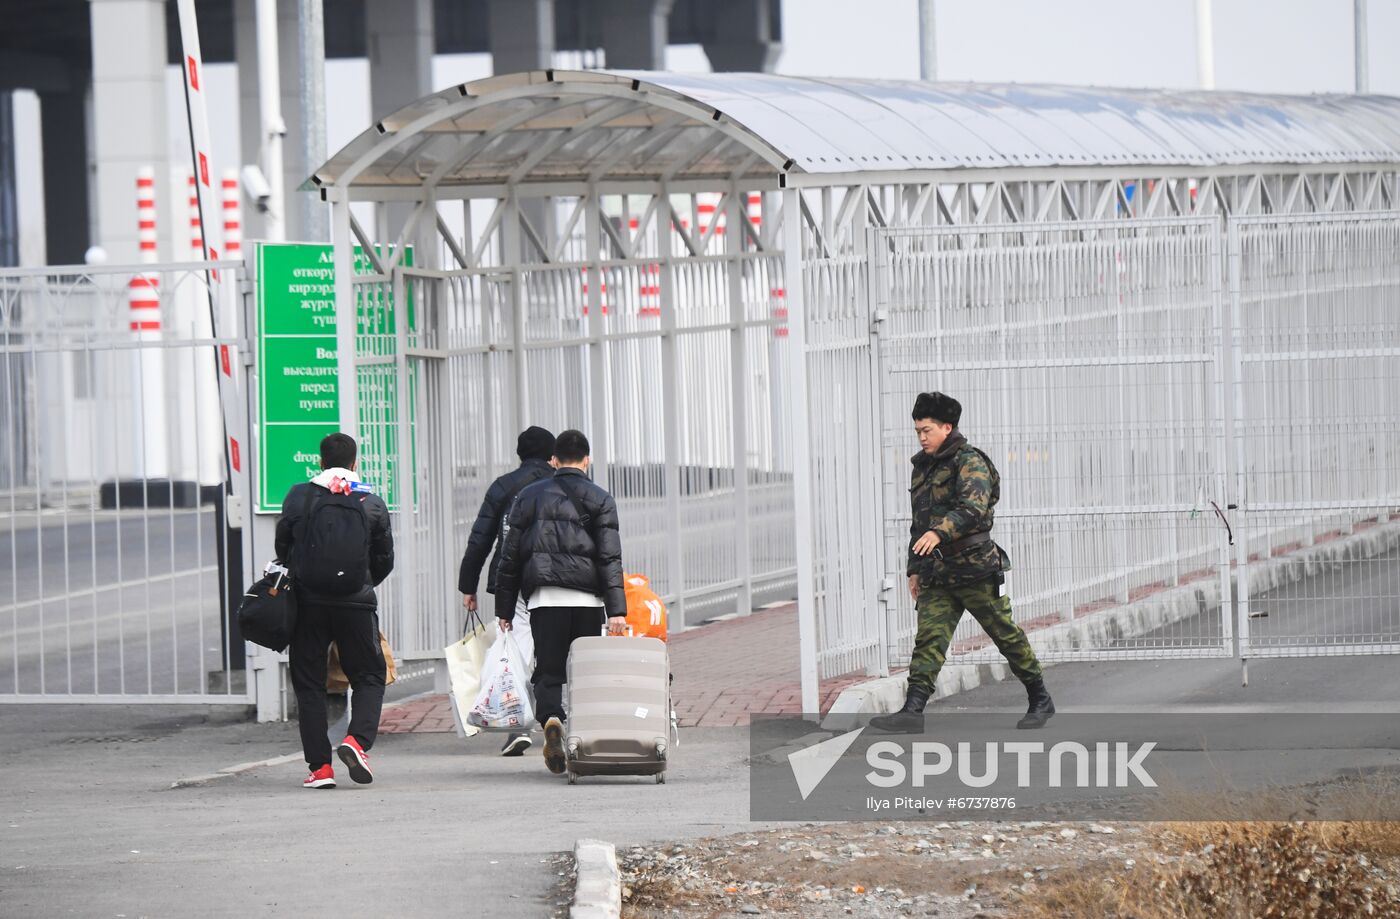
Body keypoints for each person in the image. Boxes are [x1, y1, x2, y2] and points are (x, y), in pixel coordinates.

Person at [871, 392, 1054, 733]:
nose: (922, 437)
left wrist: (940, 534)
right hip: (937, 574)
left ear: (947, 427)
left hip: (975, 569)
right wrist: (914, 567)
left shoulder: (970, 461)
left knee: (1005, 636)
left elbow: (974, 509)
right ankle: (912, 711)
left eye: (927, 430)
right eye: (917, 431)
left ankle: (1040, 698)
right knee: (928, 640)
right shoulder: (922, 469)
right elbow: (918, 524)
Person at [493, 429, 628, 775]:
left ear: (553, 460)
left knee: (549, 671)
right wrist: (617, 611)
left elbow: (510, 558)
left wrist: (504, 610)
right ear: (587, 460)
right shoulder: (601, 498)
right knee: (584, 674)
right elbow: (610, 558)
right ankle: (579, 744)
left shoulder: (529, 496)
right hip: (587, 601)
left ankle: (552, 718)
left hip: (544, 599)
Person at [276, 433, 395, 788]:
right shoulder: (371, 501)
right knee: (369, 675)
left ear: (320, 462)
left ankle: (320, 769)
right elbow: (385, 559)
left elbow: (283, 546)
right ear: (355, 463)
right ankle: (356, 741)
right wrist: (360, 583)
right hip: (356, 604)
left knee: (309, 682)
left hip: (308, 603)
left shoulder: (299, 496)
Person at [457, 425, 556, 756]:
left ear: (519, 455)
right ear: (552, 455)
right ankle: (554, 714)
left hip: (513, 579)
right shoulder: (562, 484)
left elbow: (480, 538)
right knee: (555, 645)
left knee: (515, 646)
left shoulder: (504, 486)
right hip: (557, 579)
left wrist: (467, 586)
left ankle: (517, 720)